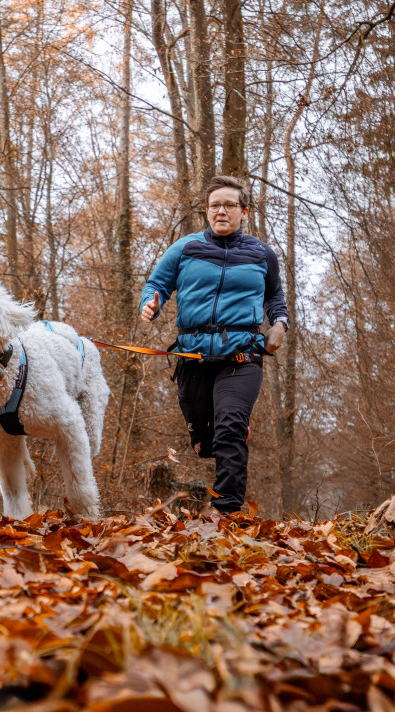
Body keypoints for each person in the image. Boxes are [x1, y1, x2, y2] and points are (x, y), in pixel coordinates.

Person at [140, 175, 290, 513]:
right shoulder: (185, 248)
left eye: (229, 205)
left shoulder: (262, 254)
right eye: (215, 206)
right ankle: (211, 441)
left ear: (244, 212)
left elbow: (275, 296)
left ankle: (226, 512)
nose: (221, 211)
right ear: (207, 212)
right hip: (192, 357)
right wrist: (150, 303)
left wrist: (280, 324)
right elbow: (156, 285)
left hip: (242, 356)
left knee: (231, 425)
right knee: (205, 445)